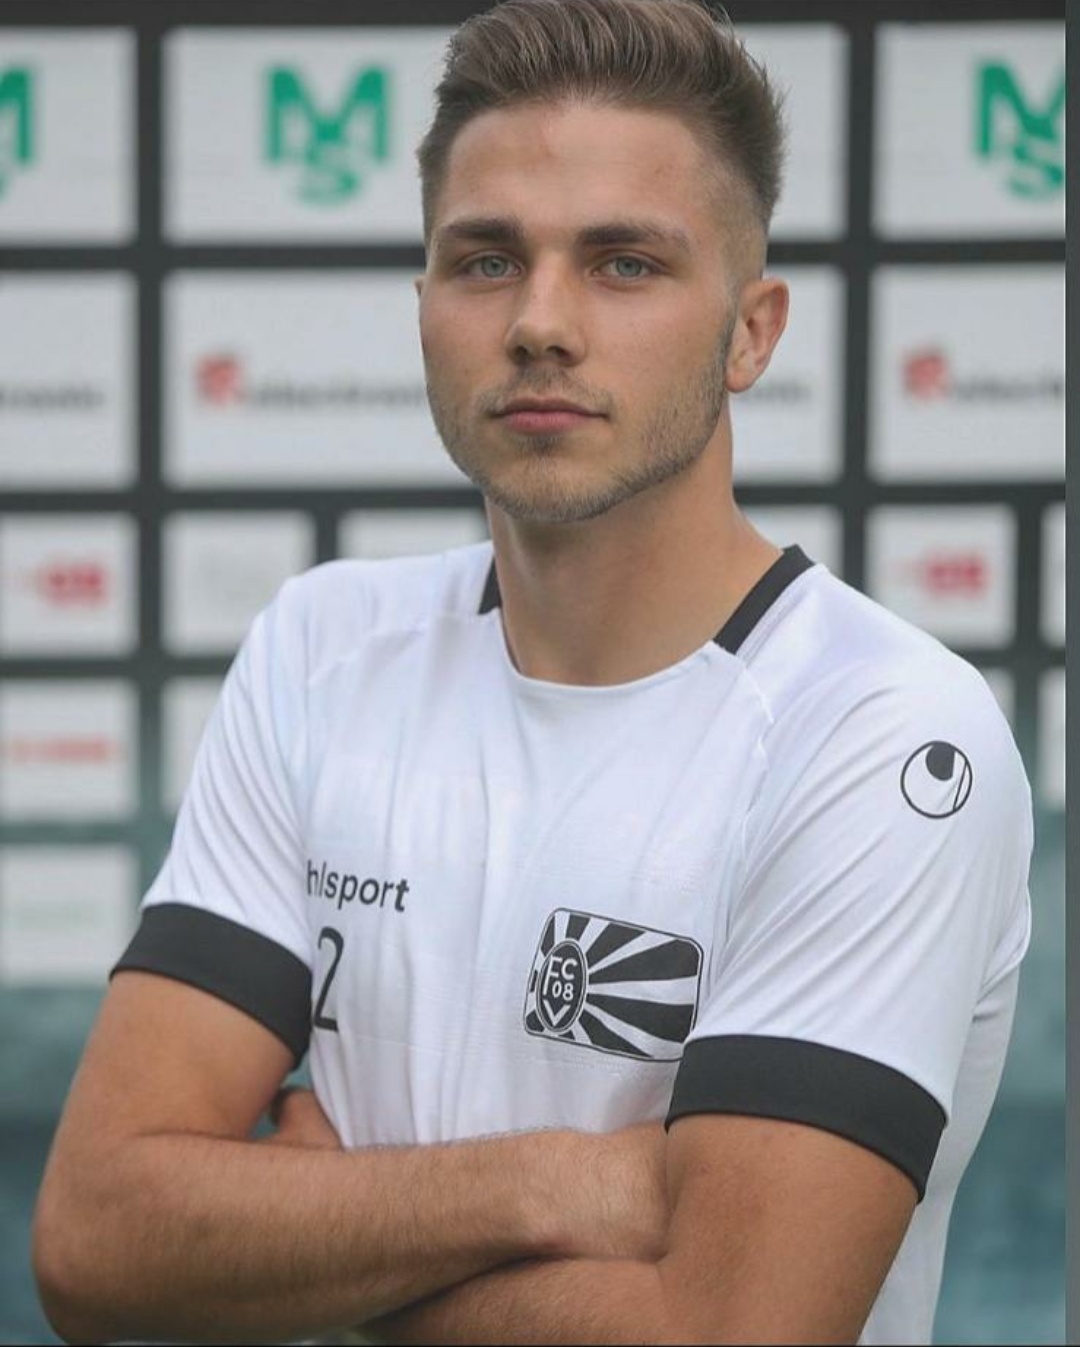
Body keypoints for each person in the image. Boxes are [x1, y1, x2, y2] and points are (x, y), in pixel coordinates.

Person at [32, 1, 1033, 1343]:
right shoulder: (323, 649)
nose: (540, 323)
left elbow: (729, 1332)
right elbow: (98, 1238)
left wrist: (324, 1241)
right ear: (425, 308)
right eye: (487, 260)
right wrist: (563, 1184)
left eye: (625, 264)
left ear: (751, 333)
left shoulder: (882, 732)